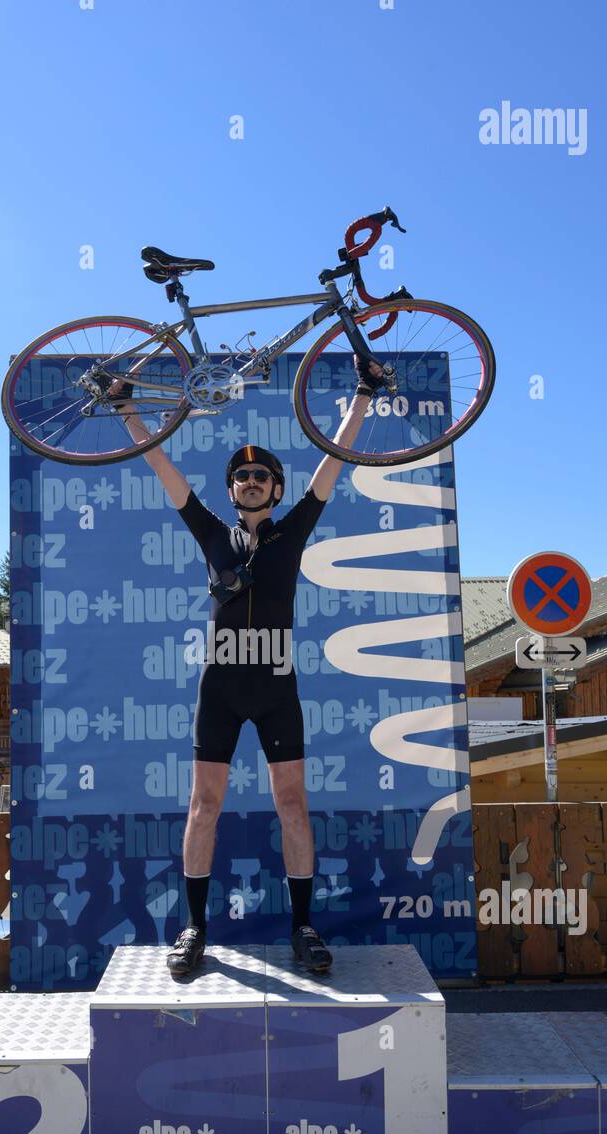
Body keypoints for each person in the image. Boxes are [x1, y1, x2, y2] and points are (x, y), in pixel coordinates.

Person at [110, 356, 384, 975]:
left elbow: (331, 466)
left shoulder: (292, 532)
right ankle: (194, 928)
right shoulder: (211, 533)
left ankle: (304, 926)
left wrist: (362, 396)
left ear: (276, 489)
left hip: (277, 687)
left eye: (262, 475)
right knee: (203, 806)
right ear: (231, 490)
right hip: (222, 689)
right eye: (242, 476)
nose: (252, 480)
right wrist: (127, 408)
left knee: (293, 805)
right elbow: (163, 469)